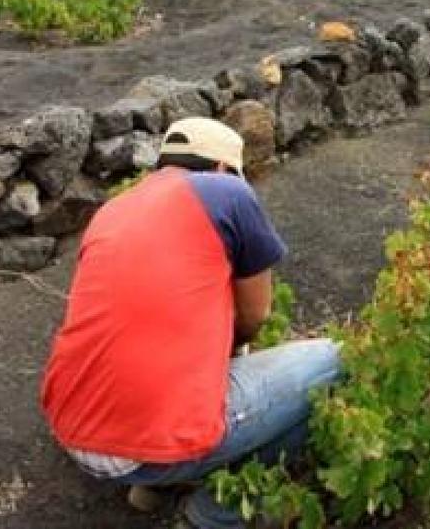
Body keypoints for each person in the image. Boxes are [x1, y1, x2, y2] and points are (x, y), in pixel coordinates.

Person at [40, 117, 341, 529]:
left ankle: (154, 485)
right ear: (223, 169)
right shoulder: (227, 192)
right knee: (337, 362)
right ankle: (217, 513)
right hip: (136, 452)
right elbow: (255, 316)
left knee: (171, 346)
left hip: (74, 428)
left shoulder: (115, 209)